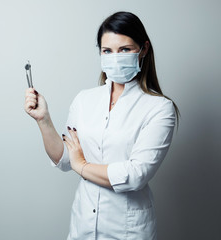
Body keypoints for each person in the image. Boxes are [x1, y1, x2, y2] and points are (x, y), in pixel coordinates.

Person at [24, 11, 179, 240]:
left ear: (143, 49)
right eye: (107, 51)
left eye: (124, 49)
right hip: (82, 226)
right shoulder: (84, 99)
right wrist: (43, 120)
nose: (115, 57)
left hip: (128, 231)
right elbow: (66, 160)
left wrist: (83, 166)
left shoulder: (159, 108)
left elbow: (136, 174)